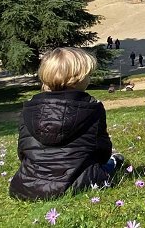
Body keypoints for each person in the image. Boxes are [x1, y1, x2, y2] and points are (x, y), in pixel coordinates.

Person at [9, 47, 125, 201]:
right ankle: (117, 162)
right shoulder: (92, 108)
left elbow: (23, 151)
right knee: (111, 164)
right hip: (77, 184)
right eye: (88, 76)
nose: (89, 79)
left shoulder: (28, 108)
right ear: (78, 79)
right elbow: (102, 150)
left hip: (26, 187)